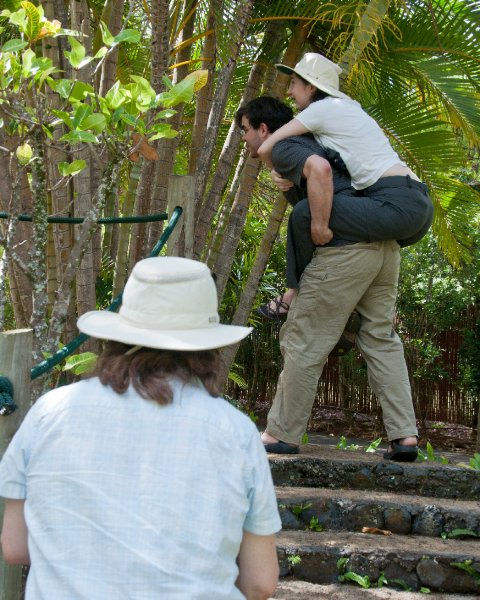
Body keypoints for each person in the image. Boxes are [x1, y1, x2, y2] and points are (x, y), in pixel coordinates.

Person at [0, 256, 281, 600]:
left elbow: (15, 547)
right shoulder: (235, 431)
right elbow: (260, 582)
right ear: (207, 345)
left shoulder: (50, 412)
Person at [236, 95, 419, 462]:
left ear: (263, 129)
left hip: (346, 253)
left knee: (303, 339)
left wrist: (319, 226)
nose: (244, 139)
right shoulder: (322, 139)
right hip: (383, 249)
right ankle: (405, 438)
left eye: (244, 130)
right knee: (380, 337)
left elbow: (318, 171)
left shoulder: (287, 146)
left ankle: (279, 435)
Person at [256, 52, 434, 318]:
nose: (290, 92)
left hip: (394, 204)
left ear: (311, 86)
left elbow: (266, 147)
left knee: (305, 214)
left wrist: (275, 171)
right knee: (378, 331)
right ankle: (350, 313)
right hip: (418, 207)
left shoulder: (321, 109)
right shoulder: (350, 108)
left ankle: (293, 294)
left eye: (293, 83)